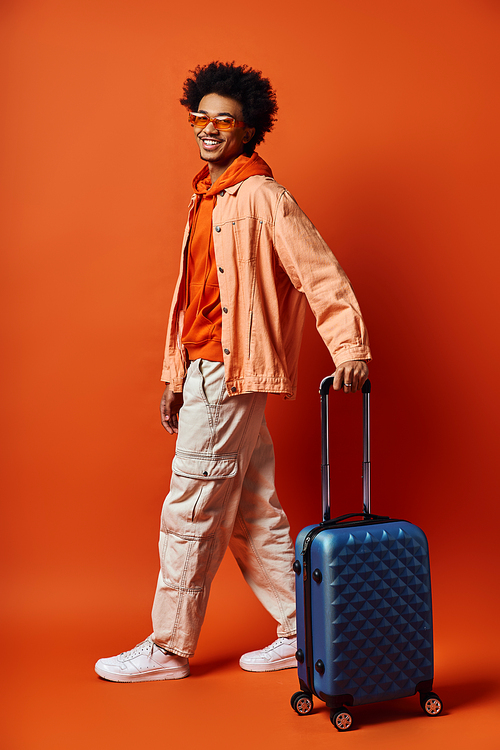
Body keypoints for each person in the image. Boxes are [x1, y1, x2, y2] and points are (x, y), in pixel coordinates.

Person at [95, 62, 371, 683]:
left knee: (191, 506)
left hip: (231, 372)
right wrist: (174, 374)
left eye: (225, 119)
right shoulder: (206, 198)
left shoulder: (264, 197)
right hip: (203, 370)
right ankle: (303, 629)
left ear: (248, 130)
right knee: (251, 508)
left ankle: (168, 648)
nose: (210, 128)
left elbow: (319, 272)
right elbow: (191, 299)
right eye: (202, 117)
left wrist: (349, 346)